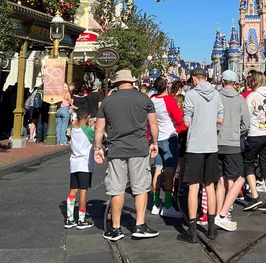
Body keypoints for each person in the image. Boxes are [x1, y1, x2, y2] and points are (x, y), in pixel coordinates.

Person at [94, 69, 159, 242]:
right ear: (131, 82)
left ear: (116, 83)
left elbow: (99, 128)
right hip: (138, 148)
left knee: (116, 189)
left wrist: (98, 148)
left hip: (116, 150)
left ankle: (115, 228)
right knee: (140, 188)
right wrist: (154, 143)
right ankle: (139, 225)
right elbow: (153, 123)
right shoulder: (144, 99)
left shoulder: (108, 101)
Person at [178, 67, 224, 243]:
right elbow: (221, 118)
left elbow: (187, 121)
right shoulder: (216, 94)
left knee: (194, 187)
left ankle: (192, 230)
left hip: (195, 146)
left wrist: (195, 121)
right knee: (209, 186)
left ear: (195, 79)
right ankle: (212, 228)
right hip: (211, 145)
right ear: (206, 77)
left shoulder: (190, 95)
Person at [215, 70, 250, 231]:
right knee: (239, 179)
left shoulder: (216, 98)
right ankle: (222, 215)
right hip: (232, 144)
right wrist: (237, 133)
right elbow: (246, 125)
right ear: (236, 83)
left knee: (221, 180)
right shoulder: (241, 100)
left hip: (216, 144)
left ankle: (218, 213)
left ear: (222, 81)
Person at [243, 71, 266, 213]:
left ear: (254, 82)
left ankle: (254, 195)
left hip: (255, 134)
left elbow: (246, 118)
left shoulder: (252, 96)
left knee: (248, 163)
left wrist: (245, 132)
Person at [150, 77, 183, 218]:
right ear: (166, 87)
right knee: (170, 171)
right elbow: (179, 119)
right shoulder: (168, 101)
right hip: (169, 137)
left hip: (155, 139)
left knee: (158, 169)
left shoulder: (151, 99)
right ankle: (168, 205)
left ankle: (156, 204)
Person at [65, 108, 95, 230]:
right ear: (87, 117)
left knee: (73, 191)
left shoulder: (73, 130)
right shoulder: (87, 130)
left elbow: (79, 126)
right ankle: (81, 219)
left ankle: (69, 218)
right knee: (83, 191)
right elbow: (95, 138)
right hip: (84, 163)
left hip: (74, 162)